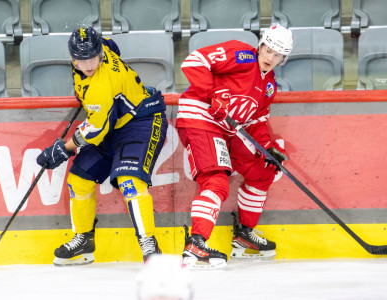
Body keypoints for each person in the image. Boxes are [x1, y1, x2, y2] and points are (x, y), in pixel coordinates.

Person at [36, 27, 168, 266]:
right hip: (115, 121)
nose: (88, 64)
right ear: (72, 57)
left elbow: (96, 130)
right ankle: (84, 240)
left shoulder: (101, 86)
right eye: (81, 59)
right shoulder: (102, 48)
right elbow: (113, 45)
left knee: (130, 182)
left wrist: (64, 149)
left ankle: (149, 244)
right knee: (79, 179)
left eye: (92, 58)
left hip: (141, 122)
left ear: (99, 53)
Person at [176, 24, 293, 268]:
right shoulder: (241, 55)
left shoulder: (269, 84)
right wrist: (212, 95)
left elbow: (257, 120)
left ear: (284, 58)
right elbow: (193, 61)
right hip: (202, 119)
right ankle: (196, 244)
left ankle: (244, 236)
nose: (271, 58)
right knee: (216, 180)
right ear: (261, 45)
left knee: (263, 172)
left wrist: (266, 148)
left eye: (278, 55)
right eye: (268, 50)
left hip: (230, 129)